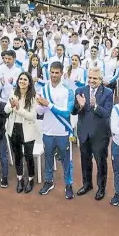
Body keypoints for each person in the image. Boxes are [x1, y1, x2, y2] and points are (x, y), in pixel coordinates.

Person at [72, 67, 113, 200]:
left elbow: (107, 113)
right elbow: (73, 111)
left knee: (101, 162)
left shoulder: (108, 92)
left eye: (95, 78)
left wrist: (95, 106)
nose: (91, 80)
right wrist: (80, 106)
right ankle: (87, 184)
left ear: (101, 80)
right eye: (90, 77)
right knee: (85, 160)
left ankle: (101, 188)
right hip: (84, 133)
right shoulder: (80, 91)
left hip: (100, 135)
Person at [36, 61, 75, 199]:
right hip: (47, 130)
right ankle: (48, 181)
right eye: (52, 72)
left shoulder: (67, 90)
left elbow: (66, 113)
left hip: (63, 131)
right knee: (48, 158)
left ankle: (68, 184)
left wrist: (48, 104)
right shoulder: (43, 89)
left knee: (66, 160)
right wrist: (41, 105)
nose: (53, 75)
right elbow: (39, 111)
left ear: (61, 73)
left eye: (56, 72)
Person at [4, 72, 37, 193]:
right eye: (20, 79)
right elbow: (6, 109)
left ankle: (30, 178)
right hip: (14, 129)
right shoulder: (13, 93)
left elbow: (32, 116)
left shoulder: (33, 97)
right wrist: (12, 106)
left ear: (29, 82)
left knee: (29, 157)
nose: (22, 81)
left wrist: (19, 109)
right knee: (17, 155)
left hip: (27, 130)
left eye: (25, 79)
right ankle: (20, 179)